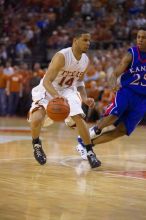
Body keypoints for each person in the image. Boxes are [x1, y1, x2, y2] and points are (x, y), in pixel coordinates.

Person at [28, 29, 101, 168]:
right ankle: (36, 144)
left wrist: (85, 98)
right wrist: (57, 97)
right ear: (75, 40)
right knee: (36, 119)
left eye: (89, 40)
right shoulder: (62, 56)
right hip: (49, 89)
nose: (88, 43)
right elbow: (46, 81)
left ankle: (90, 152)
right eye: (85, 40)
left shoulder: (85, 60)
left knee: (79, 117)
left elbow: (79, 82)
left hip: (68, 90)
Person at [76, 27, 146, 159]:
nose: (140, 40)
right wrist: (113, 84)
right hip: (127, 91)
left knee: (121, 131)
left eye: (144, 38)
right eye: (139, 37)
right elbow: (114, 74)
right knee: (114, 114)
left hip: (143, 99)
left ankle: (87, 145)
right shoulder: (131, 54)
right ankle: (89, 133)